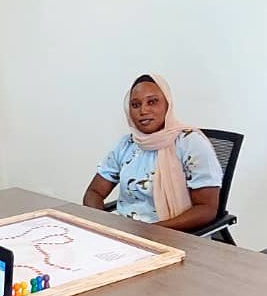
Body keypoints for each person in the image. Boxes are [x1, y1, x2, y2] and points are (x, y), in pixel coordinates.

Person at [83, 73, 222, 229]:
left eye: (152, 102)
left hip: (173, 233)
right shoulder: (128, 144)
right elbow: (94, 192)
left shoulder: (190, 143)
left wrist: (154, 231)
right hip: (125, 232)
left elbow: (206, 209)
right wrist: (101, 224)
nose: (143, 110)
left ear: (167, 104)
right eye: (135, 105)